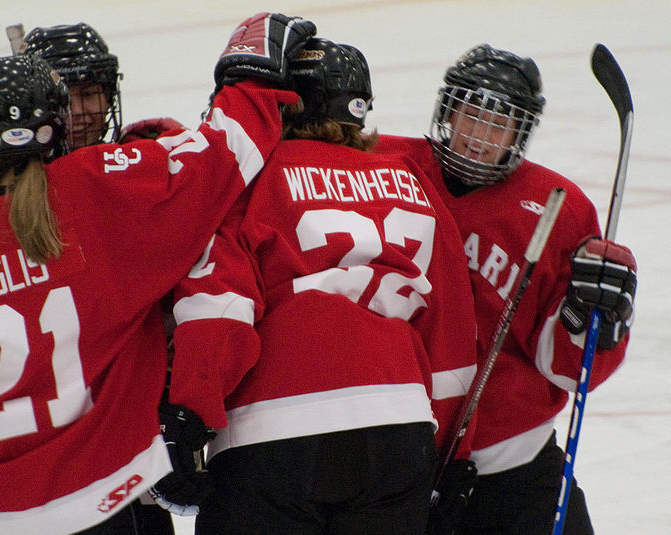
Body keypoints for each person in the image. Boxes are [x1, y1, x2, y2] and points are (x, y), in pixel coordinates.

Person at [0, 13, 316, 534]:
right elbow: (223, 161)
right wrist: (253, 74)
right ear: (52, 111)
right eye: (70, 95)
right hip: (106, 484)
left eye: (94, 91)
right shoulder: (109, 183)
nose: (85, 110)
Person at [164, 37, 477, 534]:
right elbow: (452, 340)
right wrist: (450, 454)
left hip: (272, 431)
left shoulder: (251, 178)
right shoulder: (410, 180)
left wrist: (189, 416)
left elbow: (220, 307)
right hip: (399, 430)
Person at [376, 44, 637, 534]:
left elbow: (566, 367)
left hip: (513, 468)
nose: (478, 137)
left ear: (521, 135)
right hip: (396, 464)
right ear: (446, 112)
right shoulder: (384, 166)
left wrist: (598, 321)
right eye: (469, 116)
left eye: (498, 125)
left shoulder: (559, 206)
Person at [0, 22, 185, 211]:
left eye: (89, 94)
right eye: (66, 100)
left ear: (110, 97)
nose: (77, 113)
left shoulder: (149, 156)